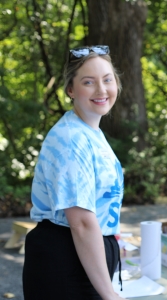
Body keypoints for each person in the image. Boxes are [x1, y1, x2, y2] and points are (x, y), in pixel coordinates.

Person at [22, 45, 127, 300]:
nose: (101, 90)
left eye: (107, 80)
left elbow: (98, 201)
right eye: (88, 82)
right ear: (71, 90)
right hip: (65, 264)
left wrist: (112, 236)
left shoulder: (89, 131)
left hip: (80, 260)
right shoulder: (71, 139)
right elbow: (80, 222)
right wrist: (109, 294)